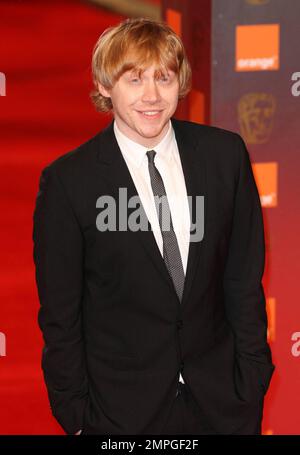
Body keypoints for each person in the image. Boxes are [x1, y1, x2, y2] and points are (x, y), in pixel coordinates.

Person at [32, 17, 275, 435]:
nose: (152, 96)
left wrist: (251, 379)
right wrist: (77, 417)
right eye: (134, 79)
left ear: (179, 82)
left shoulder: (224, 156)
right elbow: (61, 314)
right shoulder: (69, 182)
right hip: (120, 415)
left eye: (163, 78)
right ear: (105, 86)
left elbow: (243, 278)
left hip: (223, 406)